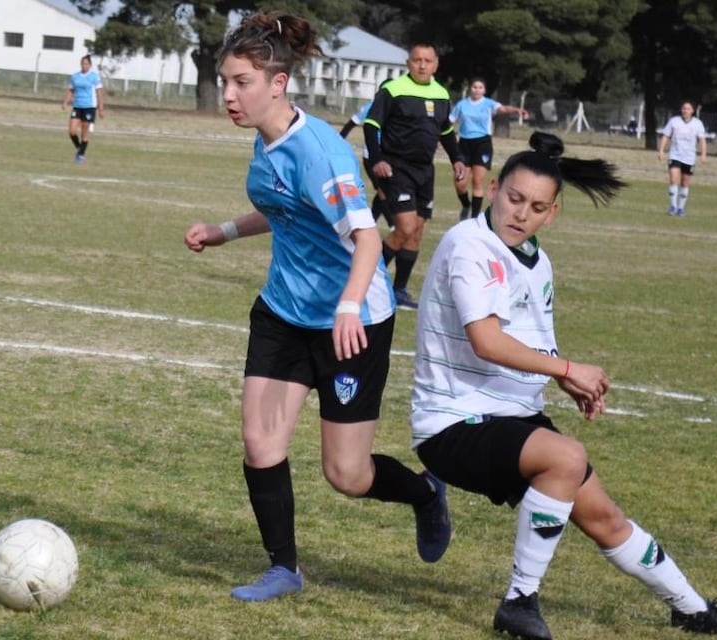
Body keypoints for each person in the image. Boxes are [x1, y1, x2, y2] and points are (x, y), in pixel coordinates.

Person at [410, 131, 717, 639]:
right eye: (514, 198)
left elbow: (531, 342)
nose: (521, 214)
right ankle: (519, 601)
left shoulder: (537, 261)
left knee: (605, 518)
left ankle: (692, 608)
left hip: (511, 418)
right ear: (494, 189)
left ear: (552, 214)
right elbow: (487, 341)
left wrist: (561, 377)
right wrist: (568, 370)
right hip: (453, 422)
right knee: (565, 457)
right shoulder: (469, 245)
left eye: (536, 207)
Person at [184, 11, 450, 604]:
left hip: (350, 323)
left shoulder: (321, 153)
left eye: (241, 83)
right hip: (283, 312)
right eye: (225, 81)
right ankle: (283, 568)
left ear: (277, 84)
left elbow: (368, 241)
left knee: (347, 475)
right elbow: (284, 208)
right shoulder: (266, 138)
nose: (229, 95)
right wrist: (223, 231)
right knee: (261, 444)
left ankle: (425, 493)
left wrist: (349, 306)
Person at [363, 44, 467, 310]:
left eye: (427, 61)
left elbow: (445, 131)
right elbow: (371, 125)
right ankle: (366, 282)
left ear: (436, 64)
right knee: (405, 228)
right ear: (408, 63)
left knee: (416, 232)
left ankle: (398, 291)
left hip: (425, 171)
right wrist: (377, 159)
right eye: (417, 60)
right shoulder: (393, 90)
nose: (422, 65)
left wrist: (457, 158)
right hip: (396, 168)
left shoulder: (441, 94)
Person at [450, 77, 527, 220]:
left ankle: (474, 217)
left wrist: (516, 110)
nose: (477, 90)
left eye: (480, 87)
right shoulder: (462, 104)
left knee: (477, 181)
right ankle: (466, 204)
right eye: (474, 87)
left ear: (484, 90)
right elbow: (450, 121)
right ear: (470, 89)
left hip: (482, 144)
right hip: (464, 144)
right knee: (460, 182)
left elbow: (503, 109)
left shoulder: (488, 103)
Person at [339, 94, 394, 229]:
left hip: (390, 157)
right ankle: (392, 225)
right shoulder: (371, 106)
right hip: (371, 157)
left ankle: (371, 222)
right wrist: (337, 141)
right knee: (383, 190)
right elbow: (351, 123)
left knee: (386, 190)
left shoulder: (396, 105)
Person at [658, 101, 707, 217]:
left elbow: (702, 140)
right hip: (675, 155)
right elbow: (665, 136)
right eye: (684, 108)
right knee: (673, 179)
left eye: (688, 109)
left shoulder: (697, 124)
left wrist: (703, 154)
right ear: (681, 109)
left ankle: (681, 208)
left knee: (684, 183)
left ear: (692, 111)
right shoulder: (674, 121)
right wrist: (661, 151)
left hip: (689, 157)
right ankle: (673, 206)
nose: (685, 111)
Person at [62, 54, 106, 164]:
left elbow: (99, 92)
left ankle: (80, 155)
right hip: (77, 106)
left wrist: (101, 108)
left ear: (90, 65)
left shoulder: (94, 76)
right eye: (82, 63)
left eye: (86, 64)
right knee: (72, 131)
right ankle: (80, 149)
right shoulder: (75, 76)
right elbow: (71, 90)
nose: (84, 65)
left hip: (89, 107)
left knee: (84, 132)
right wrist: (66, 102)